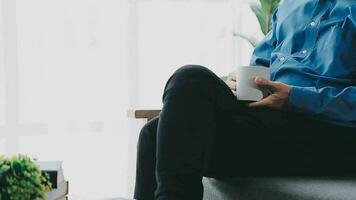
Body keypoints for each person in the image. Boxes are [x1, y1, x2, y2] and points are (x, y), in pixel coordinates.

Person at [134, 0, 356, 199]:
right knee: (154, 130)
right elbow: (261, 65)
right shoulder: (290, 6)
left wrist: (295, 98)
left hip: (328, 129)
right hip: (272, 119)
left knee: (188, 77)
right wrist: (243, 83)